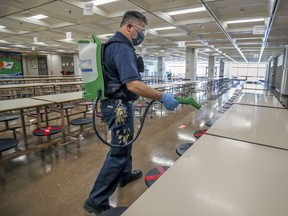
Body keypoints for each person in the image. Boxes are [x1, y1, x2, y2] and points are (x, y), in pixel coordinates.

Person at [83, 11, 179, 215]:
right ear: (129, 26)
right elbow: (133, 84)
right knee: (118, 152)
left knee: (125, 144)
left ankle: (124, 175)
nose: (142, 35)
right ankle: (96, 199)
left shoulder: (114, 46)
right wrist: (162, 96)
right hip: (118, 108)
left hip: (119, 104)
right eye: (141, 30)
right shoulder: (122, 48)